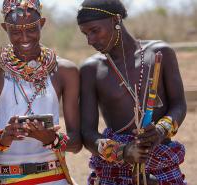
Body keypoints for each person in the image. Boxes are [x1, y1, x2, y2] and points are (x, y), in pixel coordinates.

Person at [77, 0, 187, 184]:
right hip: (114, 167)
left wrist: (160, 131)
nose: (90, 40)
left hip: (161, 160)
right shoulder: (91, 70)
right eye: (85, 34)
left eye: (94, 30)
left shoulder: (160, 53)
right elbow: (88, 134)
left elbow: (179, 105)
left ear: (115, 20)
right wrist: (122, 152)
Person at [0, 0, 82, 184]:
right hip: (3, 177)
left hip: (53, 177)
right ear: (4, 28)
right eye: (15, 32)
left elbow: (76, 143)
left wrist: (53, 139)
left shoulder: (65, 71)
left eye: (32, 29)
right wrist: (2, 138)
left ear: (42, 24)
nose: (24, 38)